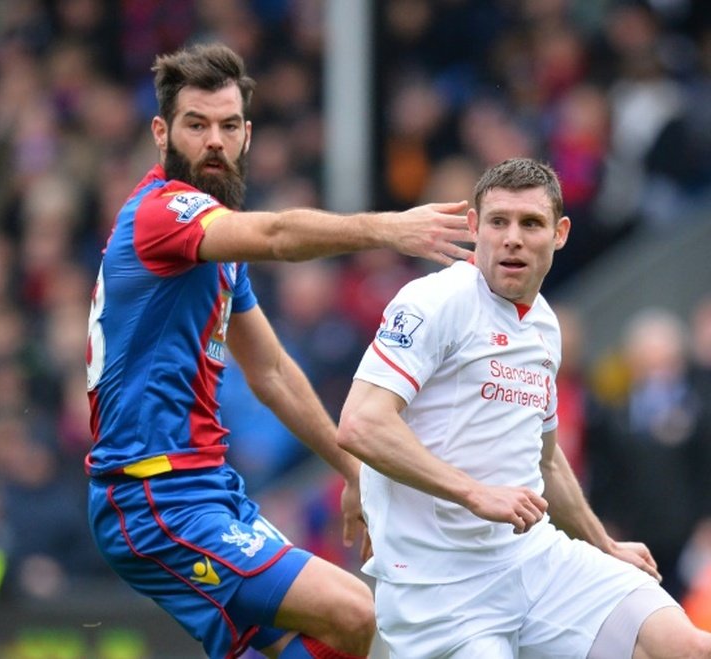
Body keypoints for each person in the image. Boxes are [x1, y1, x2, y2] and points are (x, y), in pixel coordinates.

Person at [84, 42, 472, 659]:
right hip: (154, 497)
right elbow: (277, 233)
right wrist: (390, 227)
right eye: (196, 125)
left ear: (246, 135)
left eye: (228, 126)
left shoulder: (216, 247)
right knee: (356, 612)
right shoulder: (162, 213)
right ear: (162, 133)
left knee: (342, 634)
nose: (214, 140)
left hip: (206, 491)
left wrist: (352, 471)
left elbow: (272, 373)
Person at [336, 157, 711, 658]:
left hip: (531, 559)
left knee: (683, 646)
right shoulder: (435, 300)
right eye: (498, 222)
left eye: (530, 223)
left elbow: (547, 456)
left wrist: (605, 544)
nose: (512, 237)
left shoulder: (546, 326)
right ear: (474, 227)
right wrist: (473, 493)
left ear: (559, 233)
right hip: (440, 589)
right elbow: (361, 422)